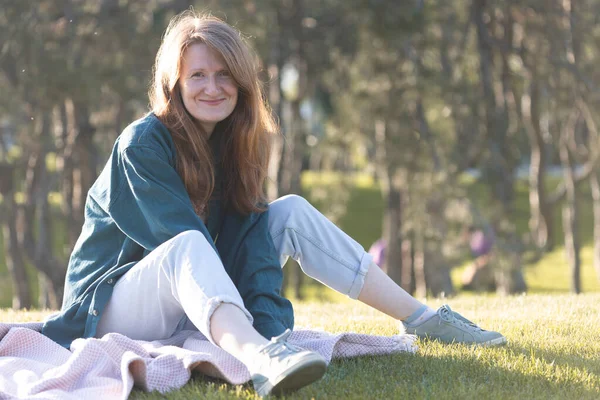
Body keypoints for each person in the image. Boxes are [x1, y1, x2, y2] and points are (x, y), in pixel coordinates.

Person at [41, 11, 506, 397]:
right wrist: (260, 335)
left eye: (224, 75)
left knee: (288, 211)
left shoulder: (232, 141)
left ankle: (422, 320)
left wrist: (266, 321)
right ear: (173, 84)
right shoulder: (142, 146)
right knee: (186, 244)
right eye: (197, 75)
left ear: (243, 83)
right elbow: (188, 248)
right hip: (107, 309)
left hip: (192, 293)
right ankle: (260, 359)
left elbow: (253, 240)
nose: (212, 87)